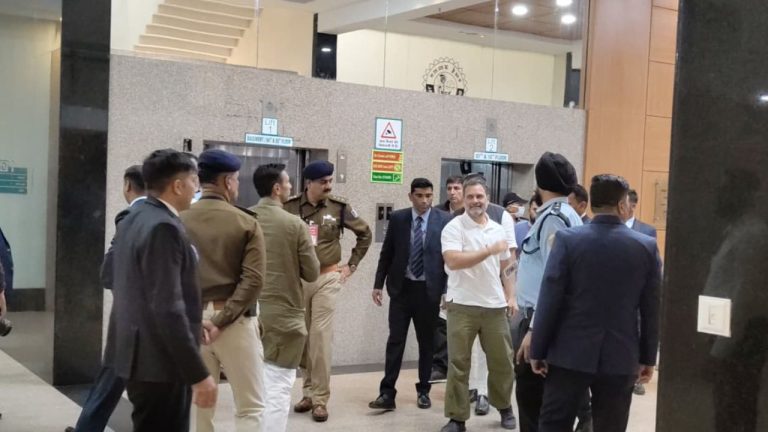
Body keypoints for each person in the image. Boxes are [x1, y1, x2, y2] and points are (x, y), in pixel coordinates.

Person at [531, 174, 661, 432]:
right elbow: (651, 308)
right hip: (621, 355)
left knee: (554, 424)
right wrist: (648, 357)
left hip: (568, 353)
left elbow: (550, 298)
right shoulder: (646, 246)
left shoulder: (568, 240)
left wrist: (538, 349)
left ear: (591, 204)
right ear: (622, 205)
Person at [106, 149, 217, 431]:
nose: (196, 188)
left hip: (137, 354)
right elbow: (167, 307)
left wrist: (193, 322)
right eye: (194, 181)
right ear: (177, 186)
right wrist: (198, 373)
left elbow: (138, 286)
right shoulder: (163, 228)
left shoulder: (134, 216)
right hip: (159, 362)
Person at [180, 149, 266, 432]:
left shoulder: (178, 219)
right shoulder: (246, 222)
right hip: (234, 322)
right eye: (236, 180)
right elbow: (253, 280)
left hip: (190, 322)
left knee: (200, 405)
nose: (237, 185)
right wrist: (220, 321)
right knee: (250, 405)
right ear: (228, 181)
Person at [283, 160, 372, 422]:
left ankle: (320, 399)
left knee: (320, 337)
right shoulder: (289, 207)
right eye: (323, 182)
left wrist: (350, 266)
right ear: (308, 183)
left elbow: (365, 234)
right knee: (303, 336)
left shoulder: (339, 207)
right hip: (298, 281)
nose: (328, 186)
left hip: (327, 278)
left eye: (330, 181)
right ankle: (308, 393)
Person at [67, 165, 147, 432]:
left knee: (110, 381)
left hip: (130, 319)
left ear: (127, 185)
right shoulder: (171, 217)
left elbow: (110, 273)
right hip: (160, 320)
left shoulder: (129, 216)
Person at [439, 176, 518, 432]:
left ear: (488, 199)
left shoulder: (497, 229)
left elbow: (507, 265)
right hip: (461, 305)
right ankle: (457, 418)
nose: (475, 201)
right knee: (458, 364)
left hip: (494, 306)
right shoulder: (453, 227)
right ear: (464, 199)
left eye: (479, 196)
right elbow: (453, 261)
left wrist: (511, 295)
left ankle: (504, 407)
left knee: (502, 361)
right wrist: (487, 250)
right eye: (470, 196)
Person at [368, 178, 451, 411]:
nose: (424, 201)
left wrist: (447, 290)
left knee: (427, 343)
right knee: (395, 341)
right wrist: (378, 284)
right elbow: (387, 253)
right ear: (410, 196)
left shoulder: (444, 220)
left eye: (428, 196)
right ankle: (387, 393)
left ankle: (424, 390)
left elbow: (448, 258)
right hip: (402, 289)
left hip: (429, 291)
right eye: (419, 196)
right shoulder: (398, 218)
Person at [515, 152, 583, 432]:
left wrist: (534, 330)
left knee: (533, 402)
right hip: (547, 320)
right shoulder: (567, 214)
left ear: (539, 183)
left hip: (542, 322)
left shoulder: (553, 219)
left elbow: (553, 279)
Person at [250, 163, 320, 432]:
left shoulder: (244, 218)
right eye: (288, 182)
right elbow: (312, 273)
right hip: (283, 315)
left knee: (251, 390)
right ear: (277, 188)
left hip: (244, 314)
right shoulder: (294, 224)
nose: (292, 186)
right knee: (278, 387)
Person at [624, 189, 657, 397]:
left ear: (633, 206)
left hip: (637, 293)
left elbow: (655, 266)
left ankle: (636, 377)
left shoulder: (647, 231)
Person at [515, 193, 542, 260]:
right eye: (535, 209)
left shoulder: (547, 230)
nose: (537, 213)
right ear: (529, 210)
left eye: (541, 210)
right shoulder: (517, 228)